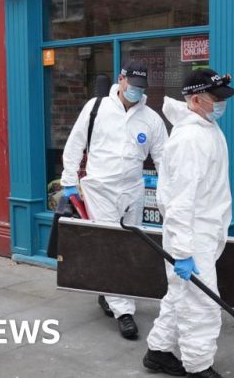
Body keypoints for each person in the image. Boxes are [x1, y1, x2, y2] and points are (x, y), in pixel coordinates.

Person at [60, 60, 167, 340]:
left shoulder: (151, 119)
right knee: (112, 247)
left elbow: (165, 160)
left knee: (130, 247)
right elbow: (75, 144)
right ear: (121, 80)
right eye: (132, 85)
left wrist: (170, 194)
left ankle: (108, 293)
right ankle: (124, 312)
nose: (136, 92)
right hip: (99, 189)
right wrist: (68, 182)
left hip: (133, 190)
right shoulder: (96, 108)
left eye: (141, 88)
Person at [142, 68, 234, 378]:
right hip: (192, 234)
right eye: (215, 99)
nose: (221, 104)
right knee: (202, 305)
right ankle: (199, 367)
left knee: (180, 295)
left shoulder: (205, 127)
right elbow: (180, 200)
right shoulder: (191, 138)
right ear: (196, 100)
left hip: (203, 231)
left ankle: (158, 352)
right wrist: (183, 251)